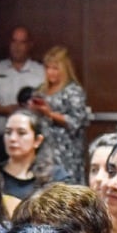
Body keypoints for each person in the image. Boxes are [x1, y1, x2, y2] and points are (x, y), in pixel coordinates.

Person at [27, 46, 92, 185]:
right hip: (43, 149)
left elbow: (77, 121)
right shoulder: (41, 90)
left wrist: (49, 113)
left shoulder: (73, 91)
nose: (51, 72)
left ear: (64, 69)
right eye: (48, 68)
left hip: (66, 152)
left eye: (55, 68)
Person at [0, 26, 47, 154]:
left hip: (29, 139)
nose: (17, 47)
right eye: (14, 41)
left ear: (30, 45)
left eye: (22, 42)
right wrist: (4, 109)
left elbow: (49, 102)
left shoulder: (41, 72)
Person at [0, 110, 65, 202]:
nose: (12, 138)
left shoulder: (56, 176)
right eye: (8, 132)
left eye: (21, 133)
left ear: (37, 140)